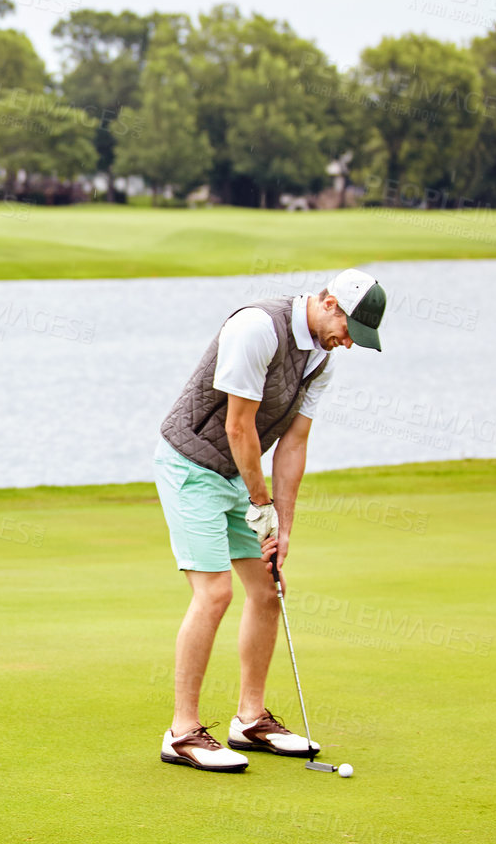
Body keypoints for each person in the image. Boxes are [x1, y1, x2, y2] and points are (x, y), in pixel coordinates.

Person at [153, 269, 385, 772]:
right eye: (348, 330)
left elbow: (294, 445)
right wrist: (260, 504)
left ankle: (250, 719)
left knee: (267, 588)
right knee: (215, 593)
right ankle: (182, 731)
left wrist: (282, 528)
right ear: (328, 303)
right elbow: (238, 426)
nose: (347, 344)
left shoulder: (320, 358)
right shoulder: (256, 327)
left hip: (242, 471)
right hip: (192, 463)